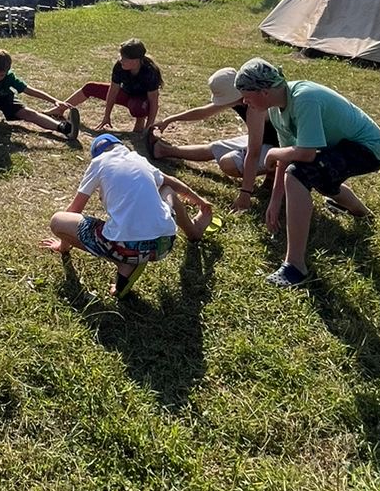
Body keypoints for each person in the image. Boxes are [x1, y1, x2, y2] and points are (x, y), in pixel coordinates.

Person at [232, 57, 380, 289]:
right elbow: (289, 156)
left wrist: (273, 153)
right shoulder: (276, 110)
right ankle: (362, 213)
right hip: (339, 146)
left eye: (246, 94)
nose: (244, 101)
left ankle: (295, 267)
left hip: (368, 150)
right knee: (320, 177)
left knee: (300, 175)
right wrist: (275, 202)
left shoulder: (304, 98)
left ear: (264, 91)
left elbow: (304, 154)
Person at [42, 132, 213, 298]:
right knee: (167, 190)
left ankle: (124, 264)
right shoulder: (139, 159)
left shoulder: (99, 162)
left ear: (95, 155)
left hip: (126, 249)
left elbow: (74, 210)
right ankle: (193, 230)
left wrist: (63, 246)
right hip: (164, 244)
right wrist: (200, 200)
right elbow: (171, 182)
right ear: (120, 146)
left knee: (58, 220)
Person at [147, 67, 270, 208]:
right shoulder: (239, 98)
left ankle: (273, 171)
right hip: (262, 138)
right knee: (217, 148)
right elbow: (204, 112)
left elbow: (254, 152)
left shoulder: (254, 107)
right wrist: (169, 119)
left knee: (228, 162)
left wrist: (245, 193)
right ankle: (164, 151)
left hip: (276, 146)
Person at [0, 48, 81, 139]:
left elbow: (29, 90)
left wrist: (54, 101)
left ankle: (65, 128)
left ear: (7, 71)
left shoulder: (10, 77)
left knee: (29, 114)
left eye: (1, 75)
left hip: (5, 98)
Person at [51, 38, 163, 135]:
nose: (120, 60)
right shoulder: (120, 66)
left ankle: (140, 126)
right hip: (125, 93)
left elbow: (153, 101)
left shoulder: (150, 72)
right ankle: (60, 109)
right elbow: (113, 91)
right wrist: (106, 116)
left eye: (124, 58)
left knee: (138, 107)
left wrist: (149, 127)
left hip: (141, 100)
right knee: (90, 87)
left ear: (135, 61)